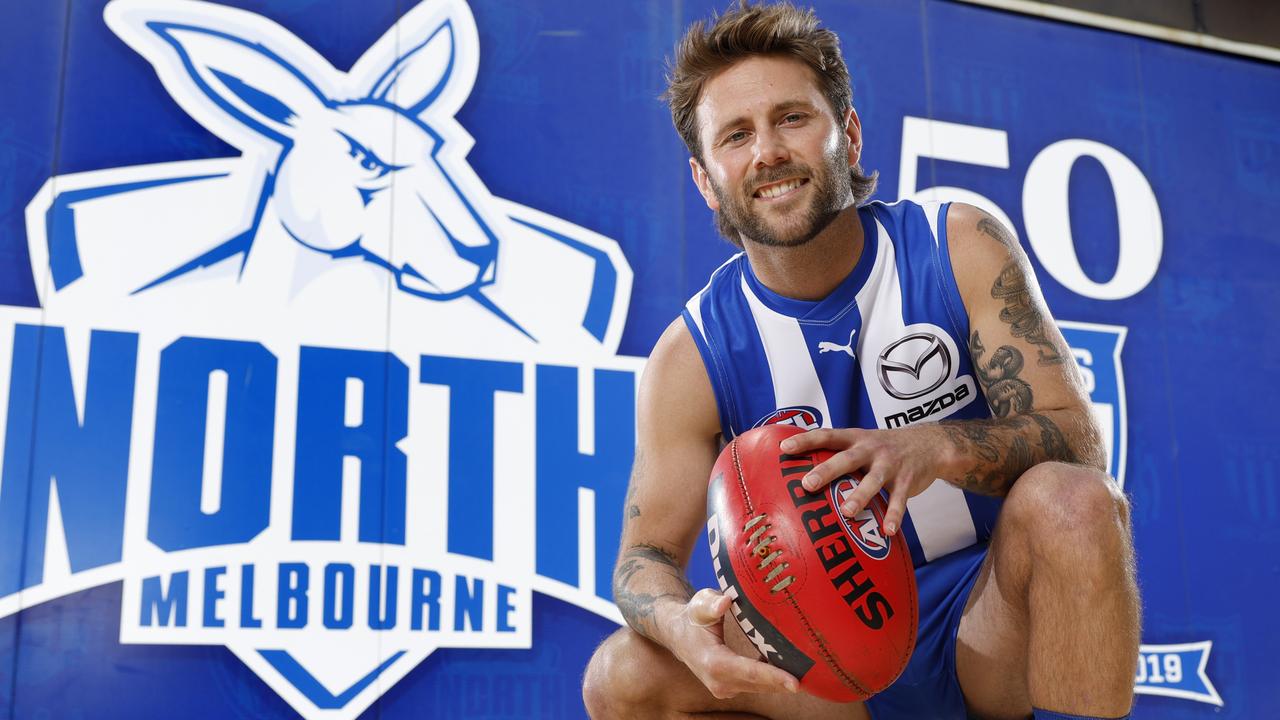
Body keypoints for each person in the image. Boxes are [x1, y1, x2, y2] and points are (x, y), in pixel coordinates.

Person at [581, 2, 1141, 719]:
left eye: (792, 118)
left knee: (1072, 502)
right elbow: (642, 561)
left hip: (985, 624)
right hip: (824, 669)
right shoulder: (690, 355)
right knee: (622, 675)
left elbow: (1082, 446)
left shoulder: (955, 243)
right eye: (736, 135)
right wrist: (679, 628)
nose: (768, 152)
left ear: (847, 132)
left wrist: (934, 446)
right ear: (704, 178)